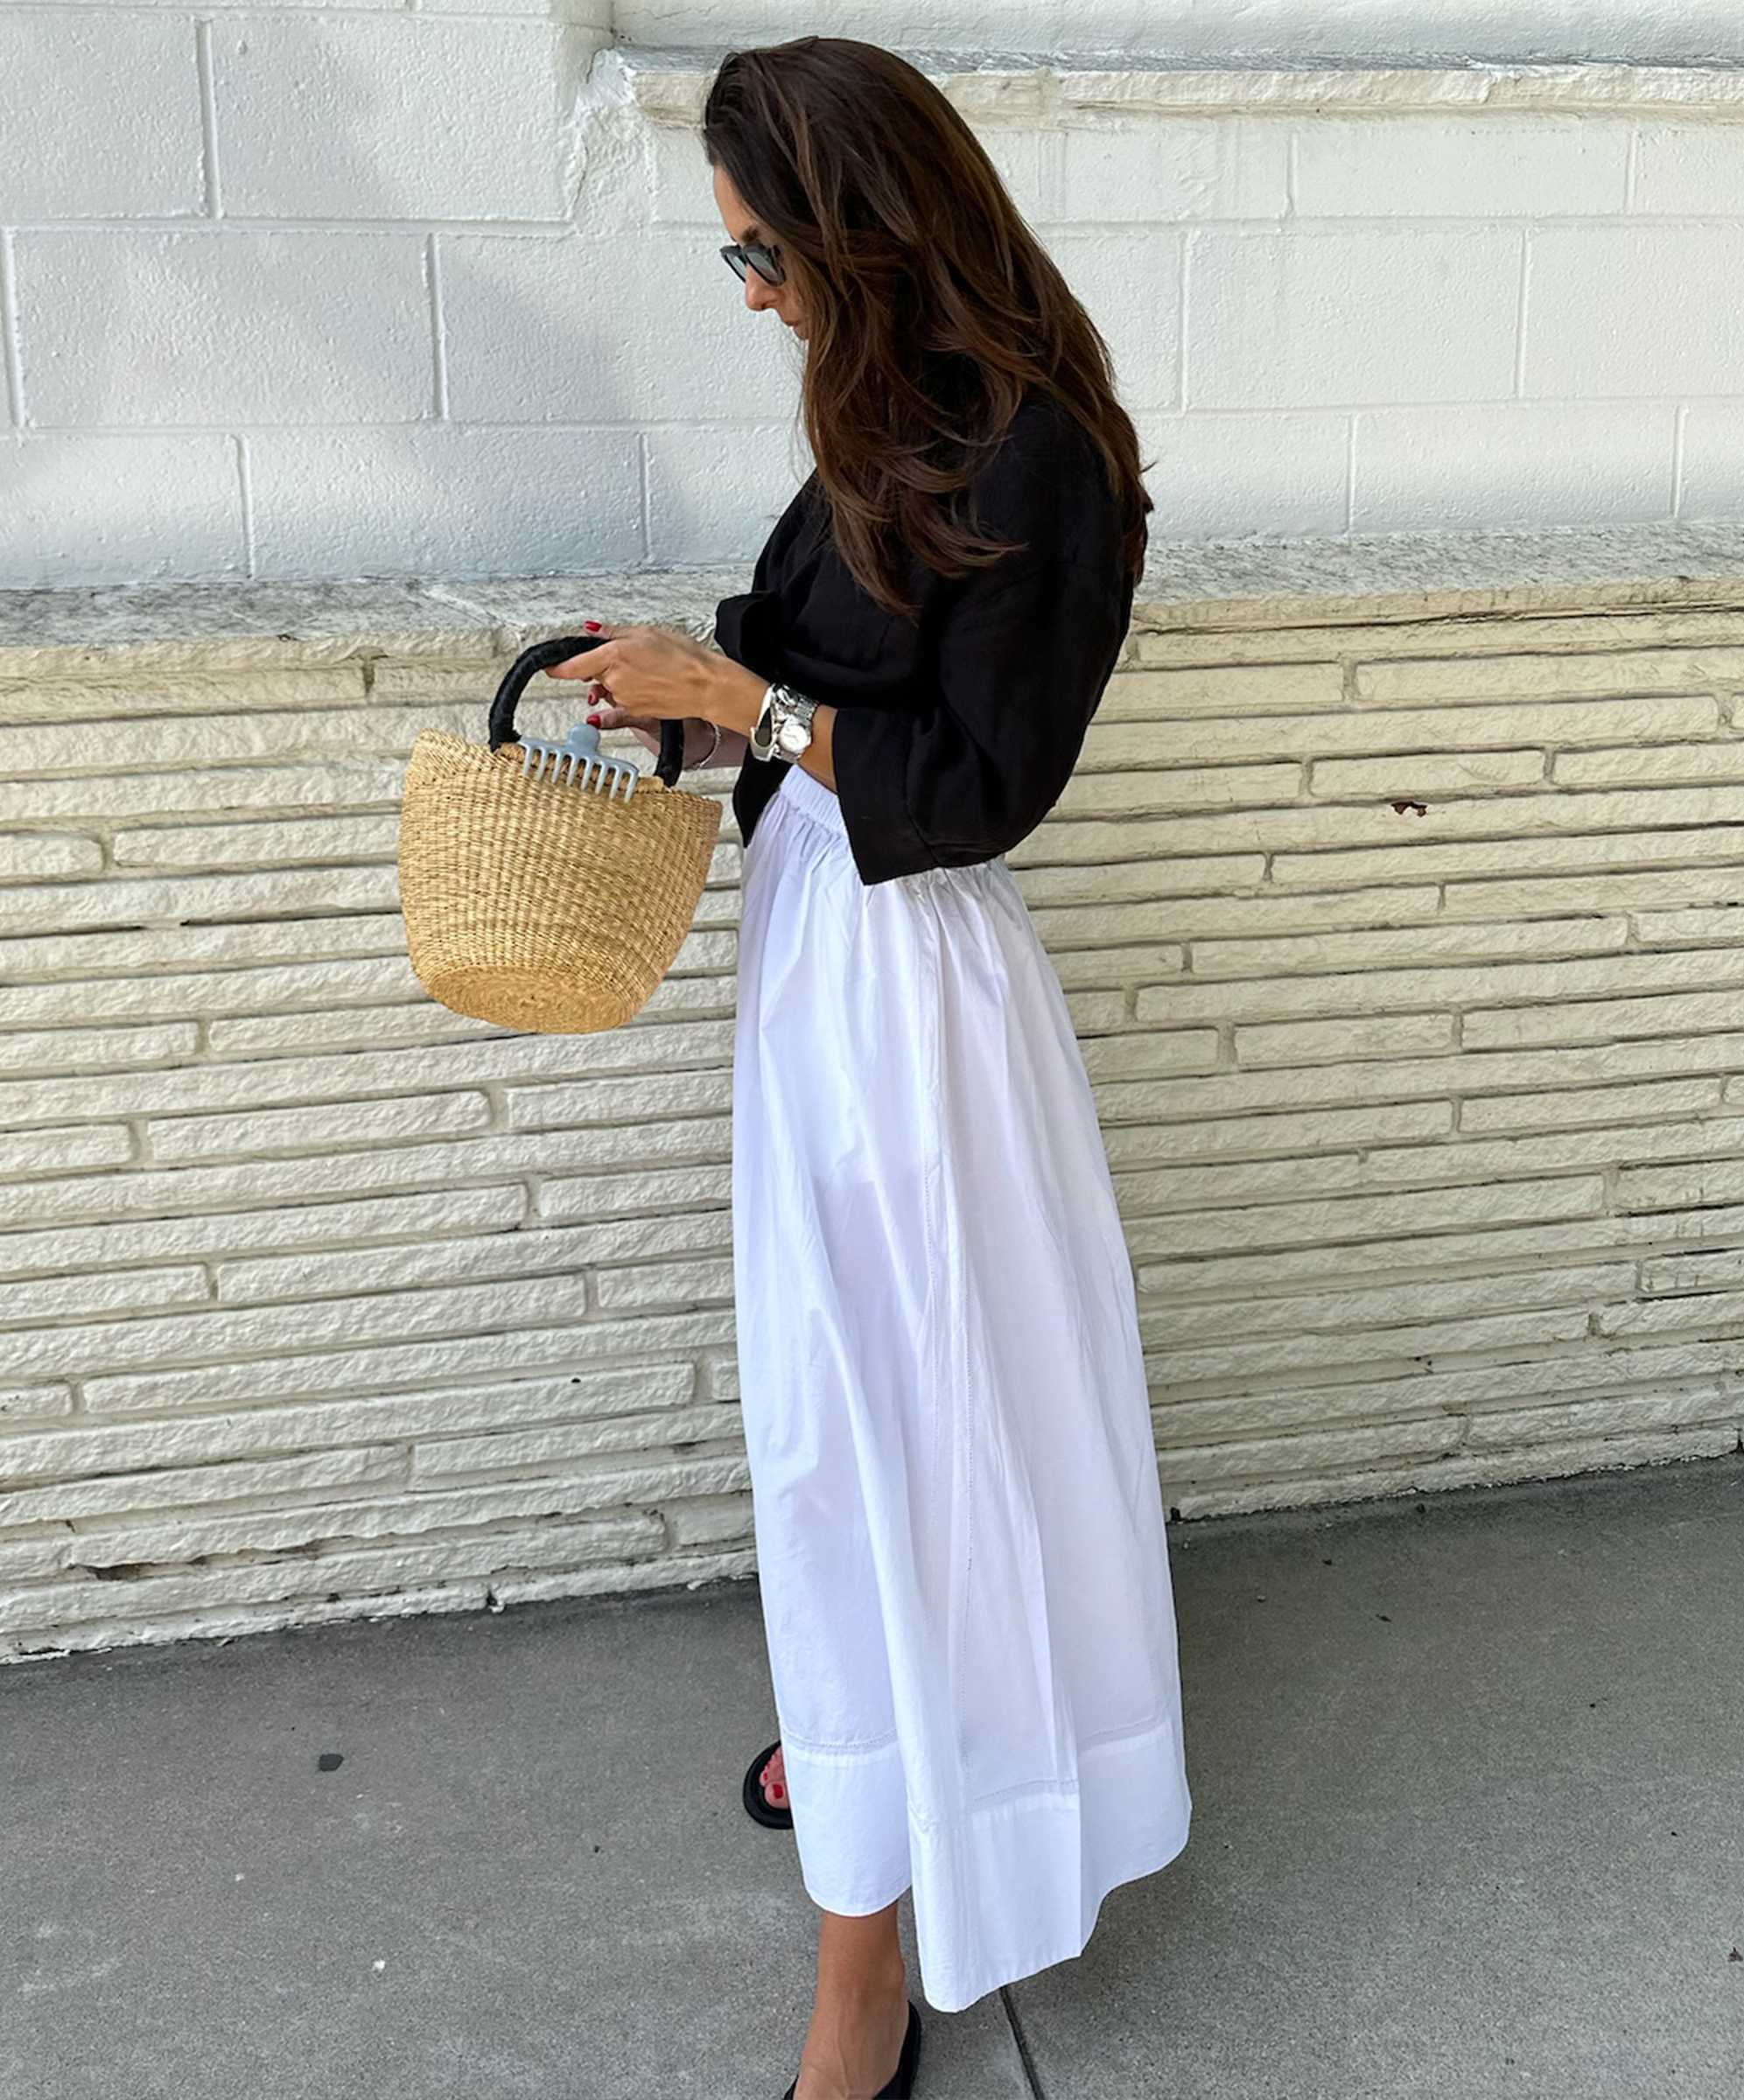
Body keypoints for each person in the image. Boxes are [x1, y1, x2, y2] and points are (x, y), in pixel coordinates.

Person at [545, 37, 1193, 2100]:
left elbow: (980, 786)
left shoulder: (1041, 456)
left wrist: (746, 704)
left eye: (762, 256)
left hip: (917, 1001)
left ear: (857, 225)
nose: (752, 296)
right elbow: (792, 648)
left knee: (899, 1422)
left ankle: (873, 1948)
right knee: (834, 1412)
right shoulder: (881, 413)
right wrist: (681, 700)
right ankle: (869, 1740)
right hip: (823, 964)